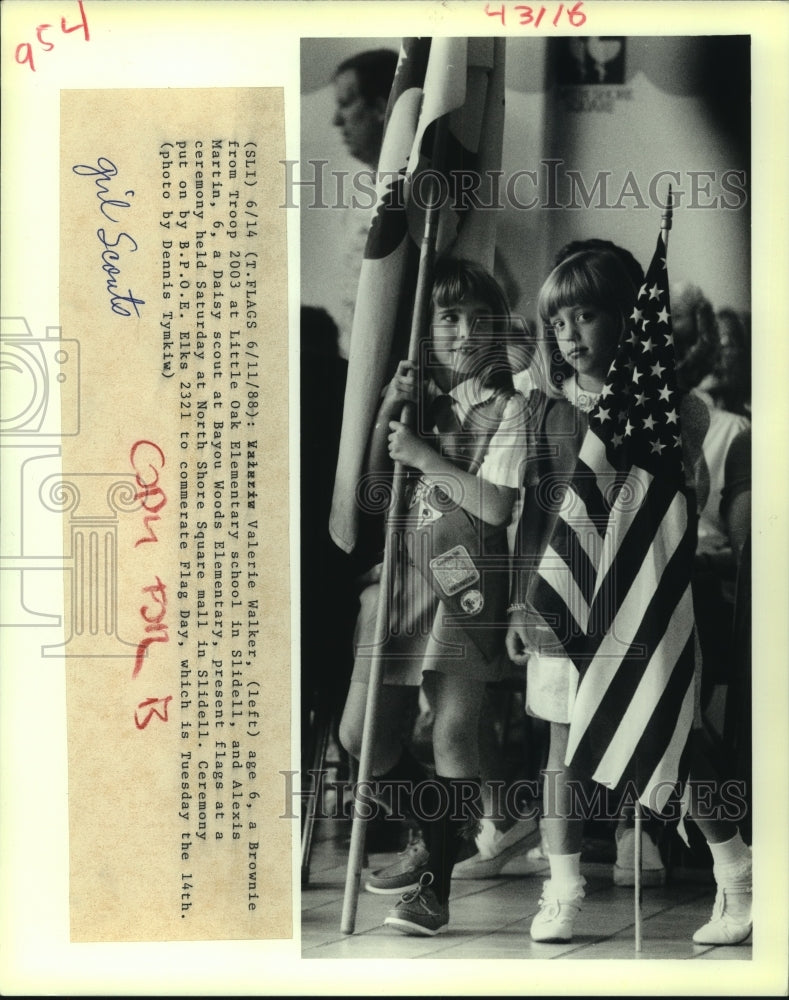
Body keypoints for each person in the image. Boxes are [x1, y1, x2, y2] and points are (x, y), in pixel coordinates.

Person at [506, 248, 752, 946]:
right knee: (560, 751)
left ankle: (737, 874)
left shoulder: (673, 410)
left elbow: (679, 505)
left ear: (629, 321)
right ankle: (562, 889)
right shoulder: (543, 411)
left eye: (586, 315)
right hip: (564, 601)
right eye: (556, 323)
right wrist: (524, 603)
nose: (570, 335)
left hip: (643, 602)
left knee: (673, 740)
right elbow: (531, 516)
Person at [339, 258, 531, 935]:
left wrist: (425, 457)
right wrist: (391, 415)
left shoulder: (508, 409)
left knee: (452, 733)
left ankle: (433, 892)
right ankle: (433, 833)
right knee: (360, 739)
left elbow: (494, 506)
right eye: (448, 317)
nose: (465, 330)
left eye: (480, 318)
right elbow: (372, 498)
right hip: (402, 582)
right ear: (425, 327)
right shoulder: (418, 403)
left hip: (467, 585)